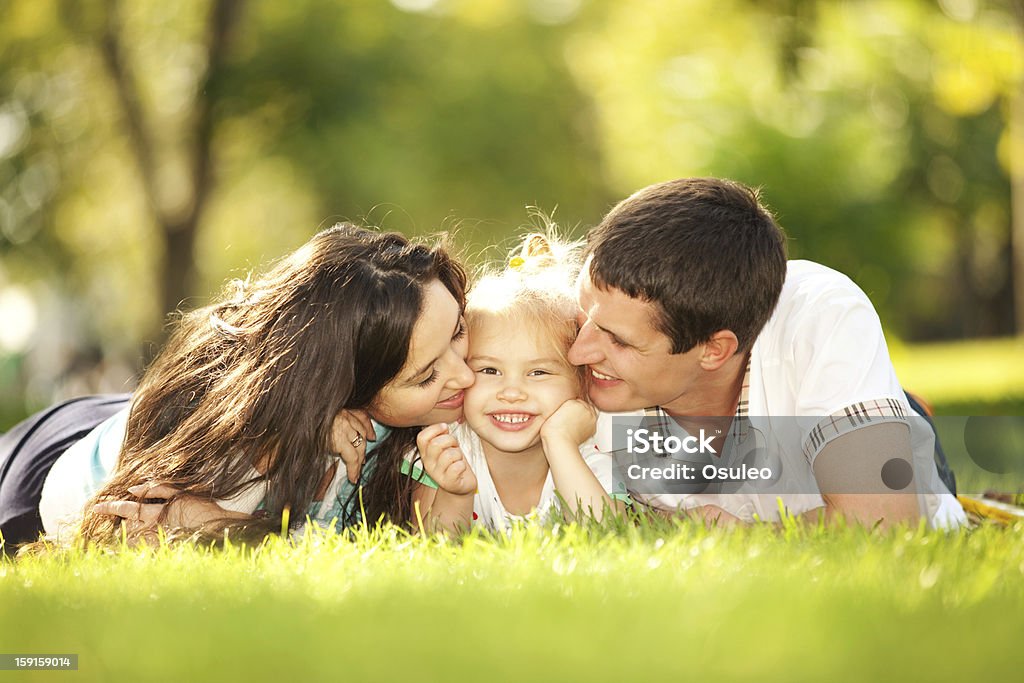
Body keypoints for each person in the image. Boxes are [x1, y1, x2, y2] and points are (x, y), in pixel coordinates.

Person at [0, 223, 474, 550]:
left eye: (457, 331)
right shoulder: (233, 443)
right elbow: (150, 529)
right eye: (427, 375)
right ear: (345, 386)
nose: (466, 375)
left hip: (120, 410)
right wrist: (302, 431)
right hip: (48, 471)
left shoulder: (381, 401)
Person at [568, 177, 966, 529]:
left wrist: (742, 536)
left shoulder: (821, 314)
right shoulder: (583, 330)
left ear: (713, 349)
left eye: (618, 341)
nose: (576, 352)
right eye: (583, 316)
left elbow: (885, 522)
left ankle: (896, 412)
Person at [402, 234, 630, 533]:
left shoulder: (591, 452)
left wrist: (560, 443)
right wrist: (455, 493)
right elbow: (434, 550)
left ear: (581, 384)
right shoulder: (449, 448)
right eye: (489, 370)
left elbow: (611, 538)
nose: (511, 393)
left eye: (538, 373)